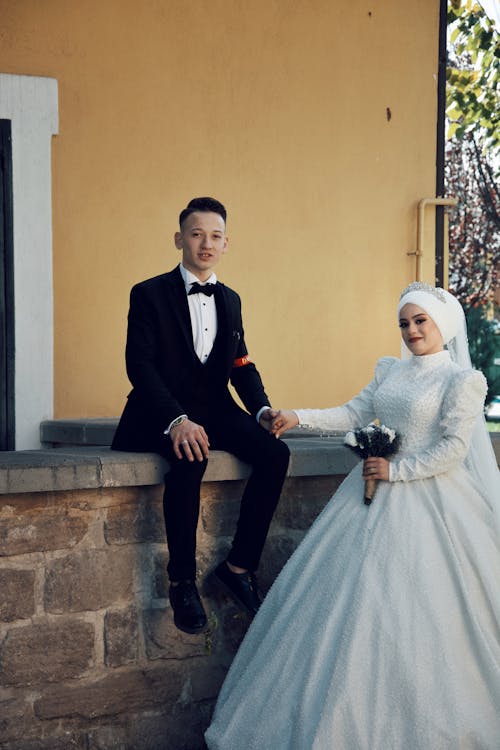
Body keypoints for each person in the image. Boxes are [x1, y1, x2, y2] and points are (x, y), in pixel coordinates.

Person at [205, 282, 500, 750]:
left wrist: (396, 470)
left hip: (430, 503)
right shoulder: (390, 371)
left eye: (420, 321)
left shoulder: (462, 381)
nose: (410, 330)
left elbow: (454, 449)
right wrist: (295, 416)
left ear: (442, 324)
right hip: (365, 502)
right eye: (404, 323)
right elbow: (353, 412)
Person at [112, 197, 290, 635]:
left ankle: (238, 567)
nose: (205, 244)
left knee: (275, 455)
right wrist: (176, 419)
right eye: (196, 234)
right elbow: (140, 366)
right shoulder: (148, 293)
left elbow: (241, 363)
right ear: (180, 239)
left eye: (214, 236)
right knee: (192, 454)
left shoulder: (231, 299)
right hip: (160, 409)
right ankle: (182, 583)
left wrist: (263, 409)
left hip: (215, 407)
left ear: (226, 244)